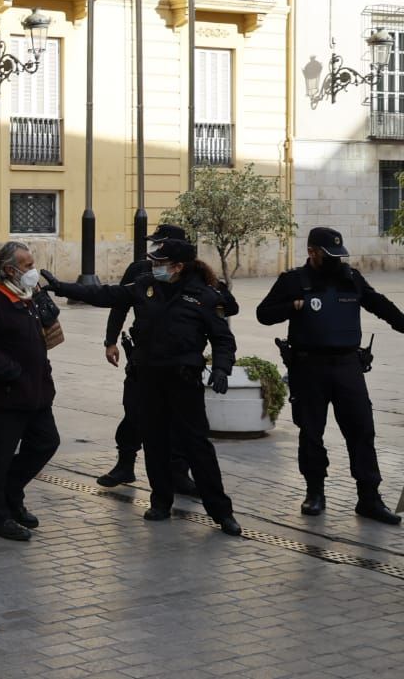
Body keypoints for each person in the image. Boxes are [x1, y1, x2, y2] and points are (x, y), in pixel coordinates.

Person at [46, 239, 242, 536]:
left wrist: (221, 369)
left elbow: (223, 339)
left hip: (183, 381)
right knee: (155, 443)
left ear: (178, 266)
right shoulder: (144, 286)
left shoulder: (204, 296)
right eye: (155, 263)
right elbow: (105, 294)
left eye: (161, 263)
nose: (155, 267)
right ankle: (160, 502)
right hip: (149, 378)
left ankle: (221, 512)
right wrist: (61, 287)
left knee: (197, 446)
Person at [255, 226, 404, 525]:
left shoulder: (351, 278)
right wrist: (292, 306)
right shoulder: (294, 281)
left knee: (362, 431)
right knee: (311, 432)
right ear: (312, 252)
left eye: (339, 254)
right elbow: (263, 313)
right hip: (309, 367)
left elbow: (380, 306)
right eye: (329, 255)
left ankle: (369, 498)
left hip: (348, 366)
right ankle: (315, 493)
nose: (336, 260)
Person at [95, 224, 213, 492]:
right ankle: (125, 463)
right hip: (145, 357)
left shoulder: (193, 275)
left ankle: (179, 473)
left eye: (161, 245)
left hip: (178, 361)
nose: (156, 250)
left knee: (178, 421)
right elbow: (119, 303)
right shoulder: (140, 271)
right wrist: (110, 340)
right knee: (134, 409)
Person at [0, 241, 59, 540]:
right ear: (9, 269)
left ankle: (11, 491)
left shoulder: (26, 295)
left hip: (37, 392)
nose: (33, 271)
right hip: (5, 395)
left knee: (46, 442)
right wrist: (13, 372)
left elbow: (42, 335)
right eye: (28, 266)